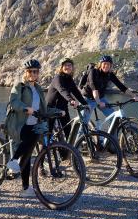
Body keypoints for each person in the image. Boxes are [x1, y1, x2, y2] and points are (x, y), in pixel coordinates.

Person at [5, 60, 64, 197]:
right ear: (26, 72)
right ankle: (13, 160)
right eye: (30, 71)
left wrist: (57, 111)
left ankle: (25, 189)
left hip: (34, 124)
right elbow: (14, 101)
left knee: (26, 156)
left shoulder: (37, 88)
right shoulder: (20, 86)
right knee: (28, 146)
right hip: (20, 124)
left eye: (36, 71)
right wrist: (25, 108)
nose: (33, 74)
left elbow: (43, 109)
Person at [80, 55, 137, 124]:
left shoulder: (109, 74)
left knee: (114, 119)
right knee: (84, 123)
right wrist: (98, 102)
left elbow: (121, 86)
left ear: (111, 66)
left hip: (100, 98)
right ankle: (81, 134)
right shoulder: (93, 72)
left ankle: (111, 135)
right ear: (100, 64)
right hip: (88, 99)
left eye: (108, 64)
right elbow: (93, 87)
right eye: (104, 64)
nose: (106, 66)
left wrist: (133, 95)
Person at [45, 58, 87, 142]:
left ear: (72, 67)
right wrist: (71, 100)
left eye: (70, 65)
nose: (68, 67)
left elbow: (76, 92)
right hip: (51, 108)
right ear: (61, 67)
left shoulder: (69, 79)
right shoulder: (58, 78)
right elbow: (62, 90)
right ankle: (44, 152)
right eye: (65, 65)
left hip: (63, 107)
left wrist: (85, 103)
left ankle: (68, 152)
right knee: (48, 133)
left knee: (68, 132)